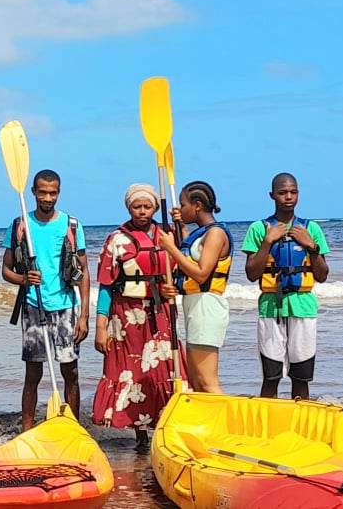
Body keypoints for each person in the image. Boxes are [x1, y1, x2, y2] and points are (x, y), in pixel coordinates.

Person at [0, 170, 87, 429]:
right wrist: (24, 278)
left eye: (53, 193)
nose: (48, 198)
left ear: (59, 193)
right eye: (43, 192)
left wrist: (84, 316)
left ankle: (74, 428)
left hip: (66, 307)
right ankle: (27, 430)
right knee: (33, 373)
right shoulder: (20, 225)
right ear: (33, 192)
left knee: (70, 371)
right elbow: (5, 270)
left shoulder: (71, 225)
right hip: (33, 307)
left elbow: (83, 272)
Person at [91, 184, 174, 452]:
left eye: (147, 206)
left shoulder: (167, 235)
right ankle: (140, 434)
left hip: (159, 312)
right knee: (133, 370)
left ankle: (164, 428)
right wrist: (100, 326)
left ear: (155, 208)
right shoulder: (116, 240)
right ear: (129, 208)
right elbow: (106, 286)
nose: (142, 211)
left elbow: (182, 269)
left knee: (163, 369)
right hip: (126, 316)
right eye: (137, 207)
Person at [242, 173, 330, 399]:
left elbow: (322, 275)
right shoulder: (259, 228)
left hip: (304, 307)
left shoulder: (311, 228)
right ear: (272, 195)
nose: (288, 197)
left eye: (293, 192)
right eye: (282, 193)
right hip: (271, 307)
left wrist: (311, 246)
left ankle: (300, 418)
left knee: (301, 377)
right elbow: (252, 274)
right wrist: (268, 241)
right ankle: (267, 419)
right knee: (271, 376)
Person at [159, 180, 230, 394]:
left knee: (207, 381)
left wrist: (170, 248)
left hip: (207, 306)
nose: (180, 209)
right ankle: (206, 415)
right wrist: (181, 227)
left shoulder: (215, 233)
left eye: (183, 205)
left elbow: (201, 273)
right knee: (196, 381)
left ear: (197, 205)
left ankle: (224, 415)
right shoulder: (200, 233)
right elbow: (189, 255)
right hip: (195, 305)